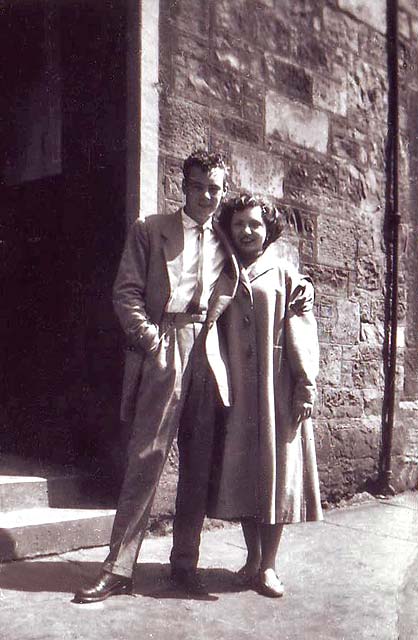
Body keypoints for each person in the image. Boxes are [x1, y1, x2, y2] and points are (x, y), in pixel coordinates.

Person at [74, 150, 239, 603]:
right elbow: (126, 292)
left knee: (198, 462)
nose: (207, 195)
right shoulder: (150, 230)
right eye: (199, 185)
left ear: (223, 192)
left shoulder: (227, 241)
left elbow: (264, 261)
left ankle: (185, 563)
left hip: (207, 349)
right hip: (165, 344)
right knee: (146, 457)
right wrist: (151, 341)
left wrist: (303, 289)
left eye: (215, 188)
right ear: (183, 185)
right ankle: (118, 567)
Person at [207, 194, 323, 598]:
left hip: (277, 390)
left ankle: (270, 566)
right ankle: (252, 559)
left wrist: (306, 387)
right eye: (239, 224)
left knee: (276, 476)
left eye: (255, 224)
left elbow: (303, 335)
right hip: (237, 390)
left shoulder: (286, 274)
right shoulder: (223, 270)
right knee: (244, 476)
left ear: (267, 228)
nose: (247, 231)